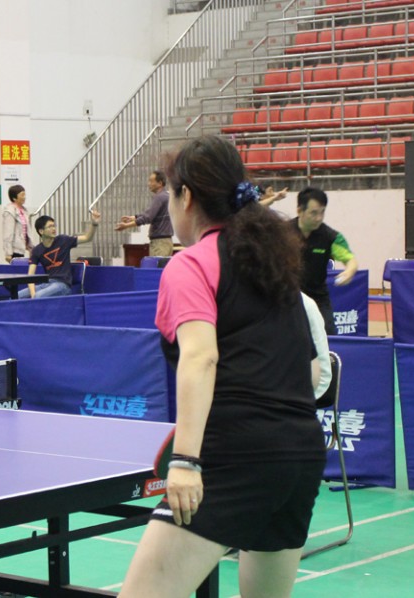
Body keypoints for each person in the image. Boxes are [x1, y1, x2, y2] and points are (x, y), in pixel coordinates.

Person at [119, 135, 325, 598]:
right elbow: (312, 370)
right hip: (299, 454)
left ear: (186, 197)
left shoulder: (190, 265)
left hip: (234, 456)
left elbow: (201, 356)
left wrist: (185, 461)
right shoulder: (273, 263)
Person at [292, 187, 358, 335]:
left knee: (329, 336)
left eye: (322, 212)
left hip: (317, 296)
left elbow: (350, 259)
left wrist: (350, 270)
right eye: (313, 213)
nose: (319, 218)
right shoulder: (283, 233)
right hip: (288, 296)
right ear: (299, 211)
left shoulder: (330, 237)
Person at [19, 209, 100, 299]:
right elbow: (30, 276)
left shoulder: (63, 240)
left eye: (54, 226)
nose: (54, 229)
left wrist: (94, 224)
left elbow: (87, 238)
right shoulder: (37, 250)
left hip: (62, 285)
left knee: (39, 296)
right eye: (50, 227)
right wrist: (33, 294)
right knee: (17, 296)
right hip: (47, 284)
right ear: (41, 231)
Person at [115, 171, 174, 257]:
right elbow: (151, 214)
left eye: (151, 181)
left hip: (159, 243)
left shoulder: (159, 197)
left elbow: (148, 217)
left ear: (160, 183)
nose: (149, 184)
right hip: (166, 242)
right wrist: (134, 217)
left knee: (156, 266)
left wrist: (126, 226)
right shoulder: (166, 196)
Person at [2, 184, 32, 263]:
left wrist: (30, 247)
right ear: (14, 198)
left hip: (21, 247)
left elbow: (27, 231)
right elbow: (8, 232)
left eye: (24, 194)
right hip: (14, 249)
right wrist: (8, 252)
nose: (24, 197)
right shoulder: (10, 211)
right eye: (22, 195)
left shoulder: (24, 210)